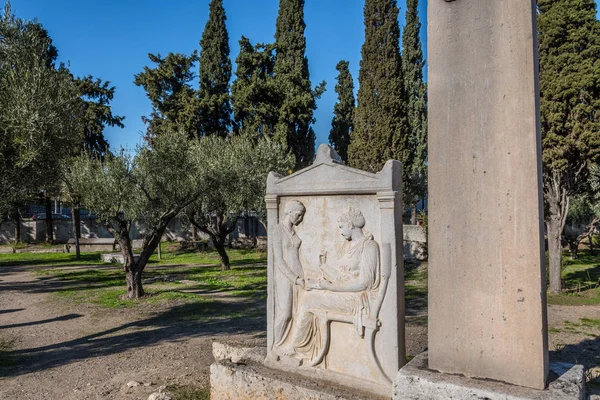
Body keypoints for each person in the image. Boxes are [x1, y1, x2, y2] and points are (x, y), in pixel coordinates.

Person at [291, 207, 380, 362]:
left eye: (341, 227)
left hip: (359, 300)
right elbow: (343, 277)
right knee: (310, 292)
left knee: (309, 299)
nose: (340, 231)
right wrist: (324, 267)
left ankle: (300, 349)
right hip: (346, 293)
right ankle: (304, 348)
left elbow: (363, 283)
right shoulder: (350, 245)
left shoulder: (369, 246)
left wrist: (330, 287)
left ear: (351, 224)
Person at [272, 200, 306, 349]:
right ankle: (277, 345)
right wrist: (295, 278)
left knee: (297, 313)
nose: (300, 219)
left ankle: (291, 346)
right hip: (285, 277)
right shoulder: (277, 230)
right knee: (285, 314)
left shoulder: (294, 231)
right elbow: (279, 260)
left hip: (299, 274)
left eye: (302, 216)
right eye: (298, 215)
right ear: (290, 212)